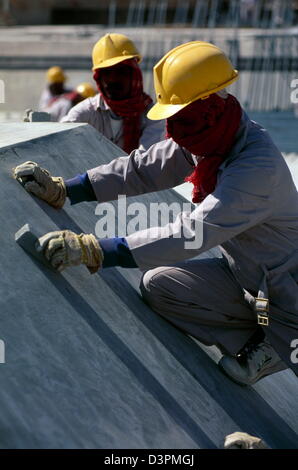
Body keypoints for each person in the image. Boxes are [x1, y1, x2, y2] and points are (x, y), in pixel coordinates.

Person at [13, 41, 298, 385]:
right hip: (247, 273)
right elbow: (145, 168)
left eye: (183, 119)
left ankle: (278, 350)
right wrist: (68, 189)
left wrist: (96, 250)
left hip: (289, 292)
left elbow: (191, 233)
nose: (179, 133)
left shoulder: (255, 168)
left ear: (210, 104)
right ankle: (256, 343)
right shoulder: (209, 135)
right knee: (161, 286)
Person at [61, 33, 165, 152]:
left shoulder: (152, 115)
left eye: (120, 72)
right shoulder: (85, 113)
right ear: (98, 78)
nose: (112, 79)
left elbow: (146, 160)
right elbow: (59, 143)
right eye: (106, 73)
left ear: (134, 74)